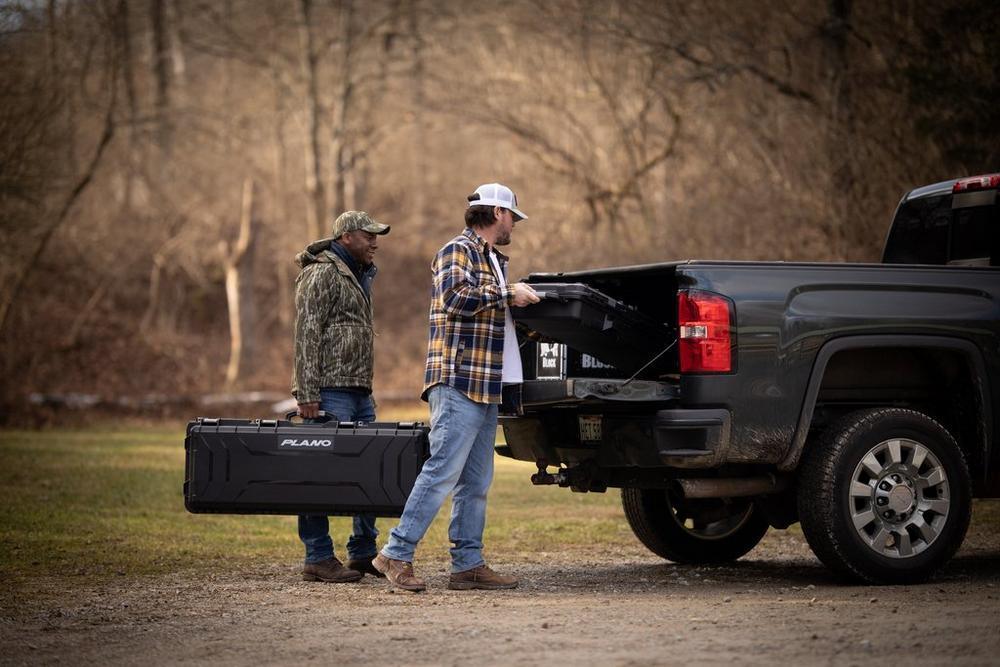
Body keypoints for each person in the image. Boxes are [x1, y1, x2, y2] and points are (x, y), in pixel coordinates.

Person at [373, 183, 540, 592]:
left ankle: (467, 565)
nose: (514, 225)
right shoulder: (457, 250)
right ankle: (395, 553)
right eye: (512, 217)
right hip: (458, 381)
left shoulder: (493, 259)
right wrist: (508, 292)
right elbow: (453, 298)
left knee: (476, 482)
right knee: (441, 471)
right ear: (497, 213)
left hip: (486, 384)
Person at [291, 210, 390, 583]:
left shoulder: (360, 274)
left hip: (359, 390)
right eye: (369, 236)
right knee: (319, 473)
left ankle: (363, 551)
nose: (375, 242)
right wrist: (306, 391)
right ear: (347, 236)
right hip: (328, 393)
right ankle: (317, 555)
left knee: (370, 468)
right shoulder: (321, 273)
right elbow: (306, 333)